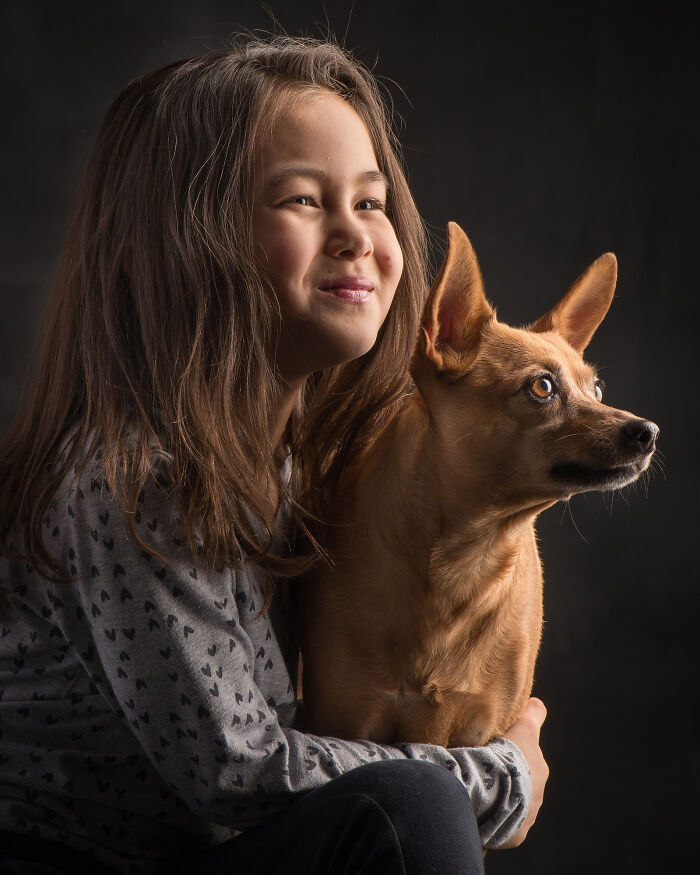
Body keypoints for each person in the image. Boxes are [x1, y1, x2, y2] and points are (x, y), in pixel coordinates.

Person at [0, 35, 548, 875]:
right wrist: (497, 776)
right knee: (414, 804)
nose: (356, 235)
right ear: (177, 244)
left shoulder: (294, 463)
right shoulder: (138, 479)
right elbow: (241, 769)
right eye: (302, 199)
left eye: (370, 203)